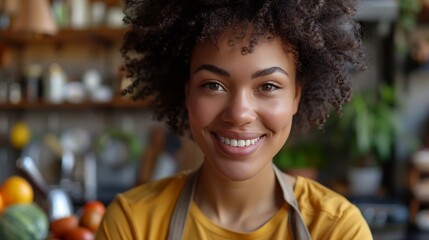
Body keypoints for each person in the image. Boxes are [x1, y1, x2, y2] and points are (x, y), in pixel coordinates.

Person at [96, 0, 372, 239]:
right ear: (187, 92)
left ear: (296, 97)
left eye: (268, 86)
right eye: (213, 85)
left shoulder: (336, 229)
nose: (239, 114)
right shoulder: (132, 223)